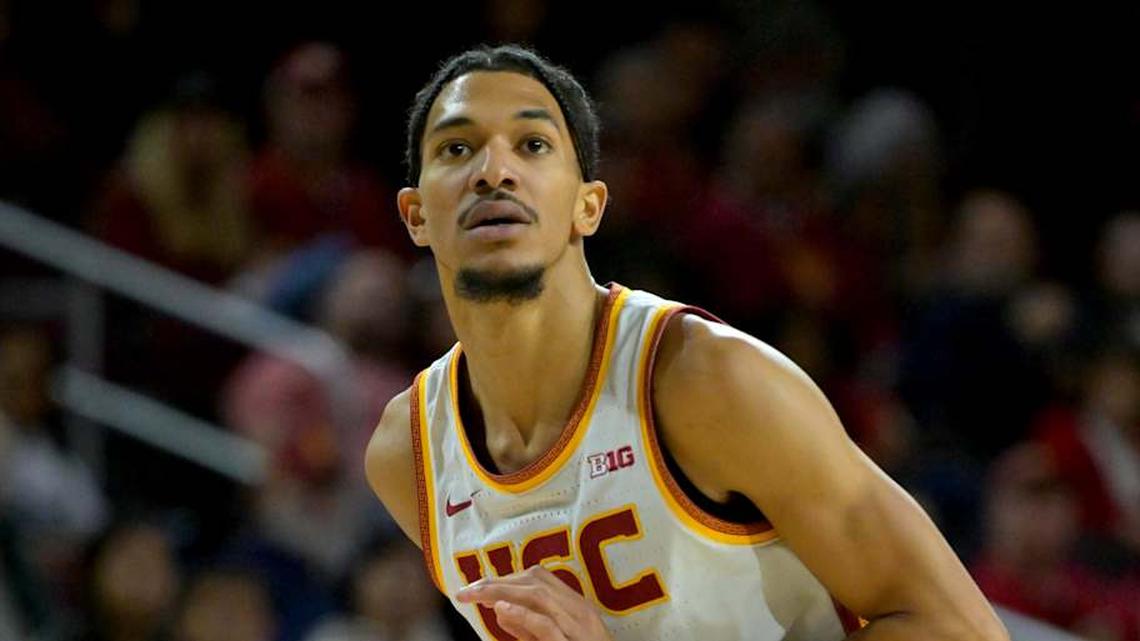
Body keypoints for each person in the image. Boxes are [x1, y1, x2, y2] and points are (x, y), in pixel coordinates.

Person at [365, 44, 1008, 641]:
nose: (493, 171)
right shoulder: (408, 457)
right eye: (456, 149)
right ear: (416, 214)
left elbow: (960, 630)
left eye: (532, 144)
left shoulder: (705, 379)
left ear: (588, 206)